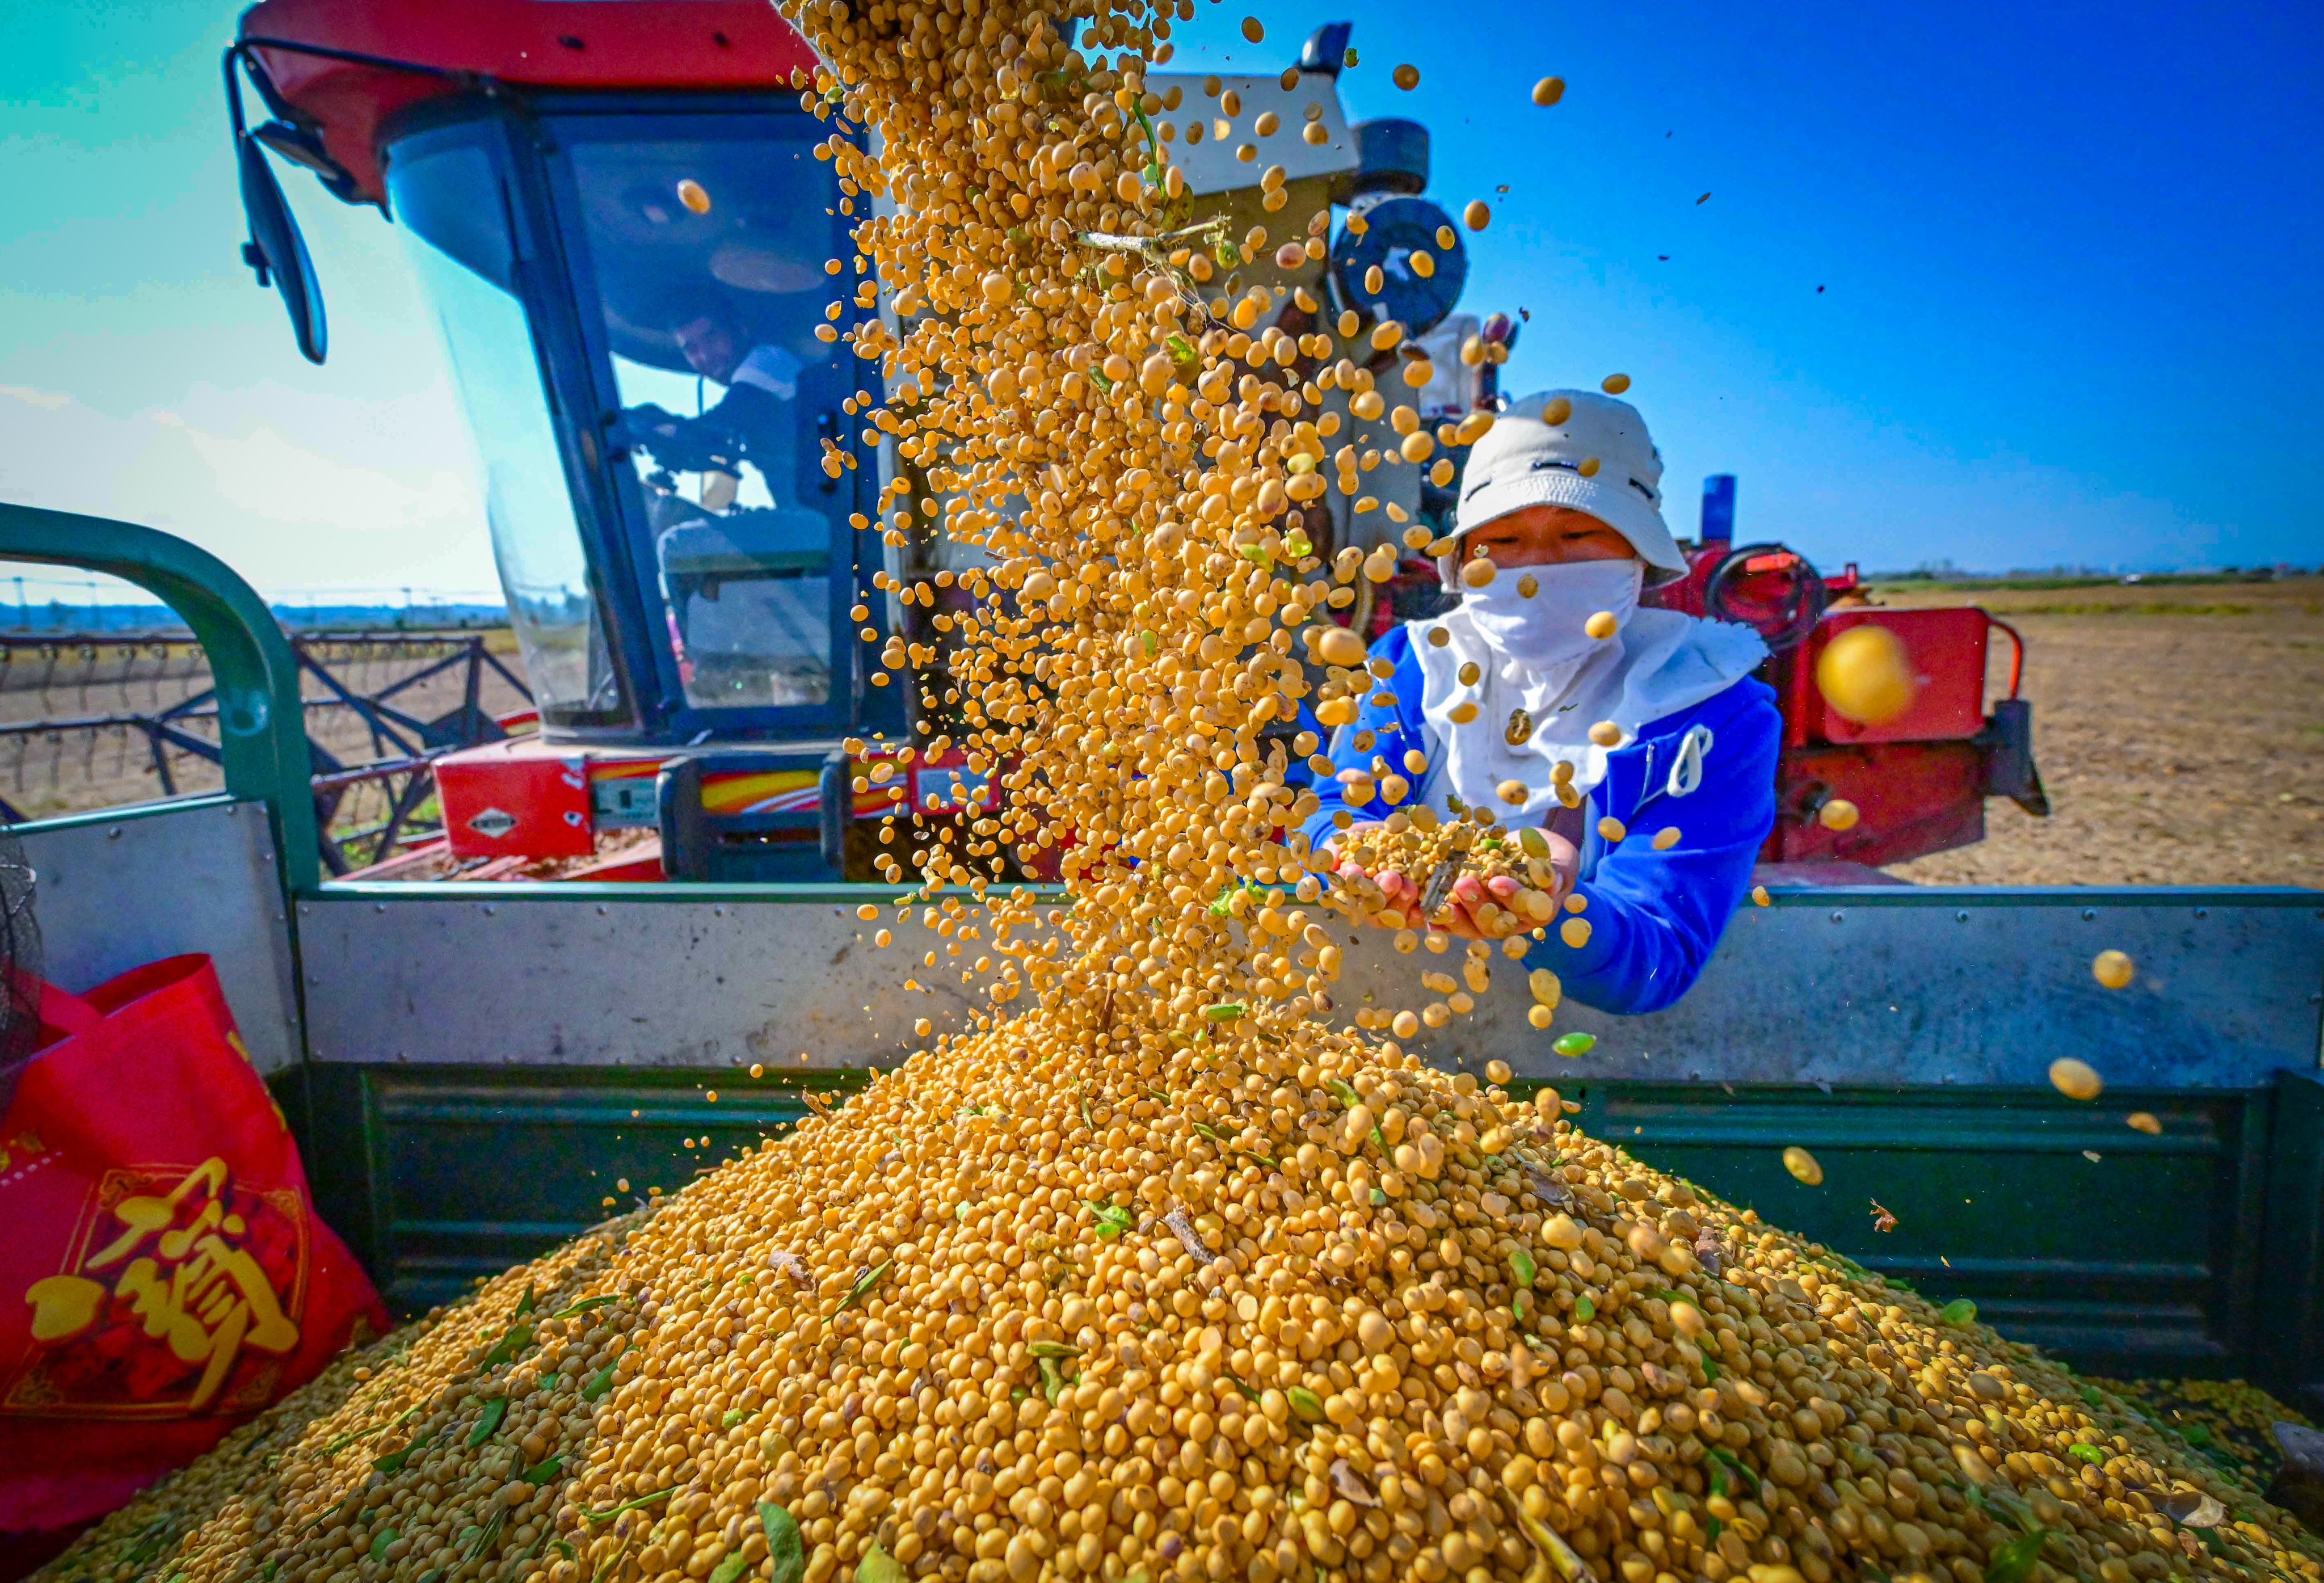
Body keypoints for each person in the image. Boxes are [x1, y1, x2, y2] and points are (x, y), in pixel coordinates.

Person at [1301, 390, 1780, 1013]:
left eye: (1576, 533)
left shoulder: (1709, 710)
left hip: (1582, 1051)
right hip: (1386, 1012)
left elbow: (1658, 952)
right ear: (1464, 558)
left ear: (1637, 553)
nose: (1535, 570)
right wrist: (1341, 849)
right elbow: (1337, 807)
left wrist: (1550, 905)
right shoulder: (1418, 662)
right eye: (1501, 540)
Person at [625, 293, 806, 503]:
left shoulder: (770, 361)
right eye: (691, 348)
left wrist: (660, 429)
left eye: (711, 337)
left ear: (740, 330)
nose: (705, 355)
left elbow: (720, 425)